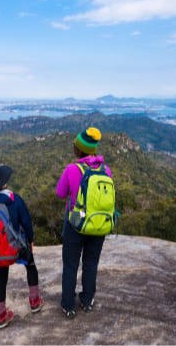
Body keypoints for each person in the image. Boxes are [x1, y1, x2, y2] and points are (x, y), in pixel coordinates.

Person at [0, 164, 44, 329]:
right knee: (31, 266)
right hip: (17, 247)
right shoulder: (14, 199)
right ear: (3, 183)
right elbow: (26, 222)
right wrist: (30, 240)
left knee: (1, 280)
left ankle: (1, 316)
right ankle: (35, 302)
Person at [56, 127, 111, 319]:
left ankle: (68, 305)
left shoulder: (72, 169)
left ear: (78, 150)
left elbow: (60, 193)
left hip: (76, 224)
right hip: (98, 224)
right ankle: (88, 300)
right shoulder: (106, 170)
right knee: (91, 263)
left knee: (70, 265)